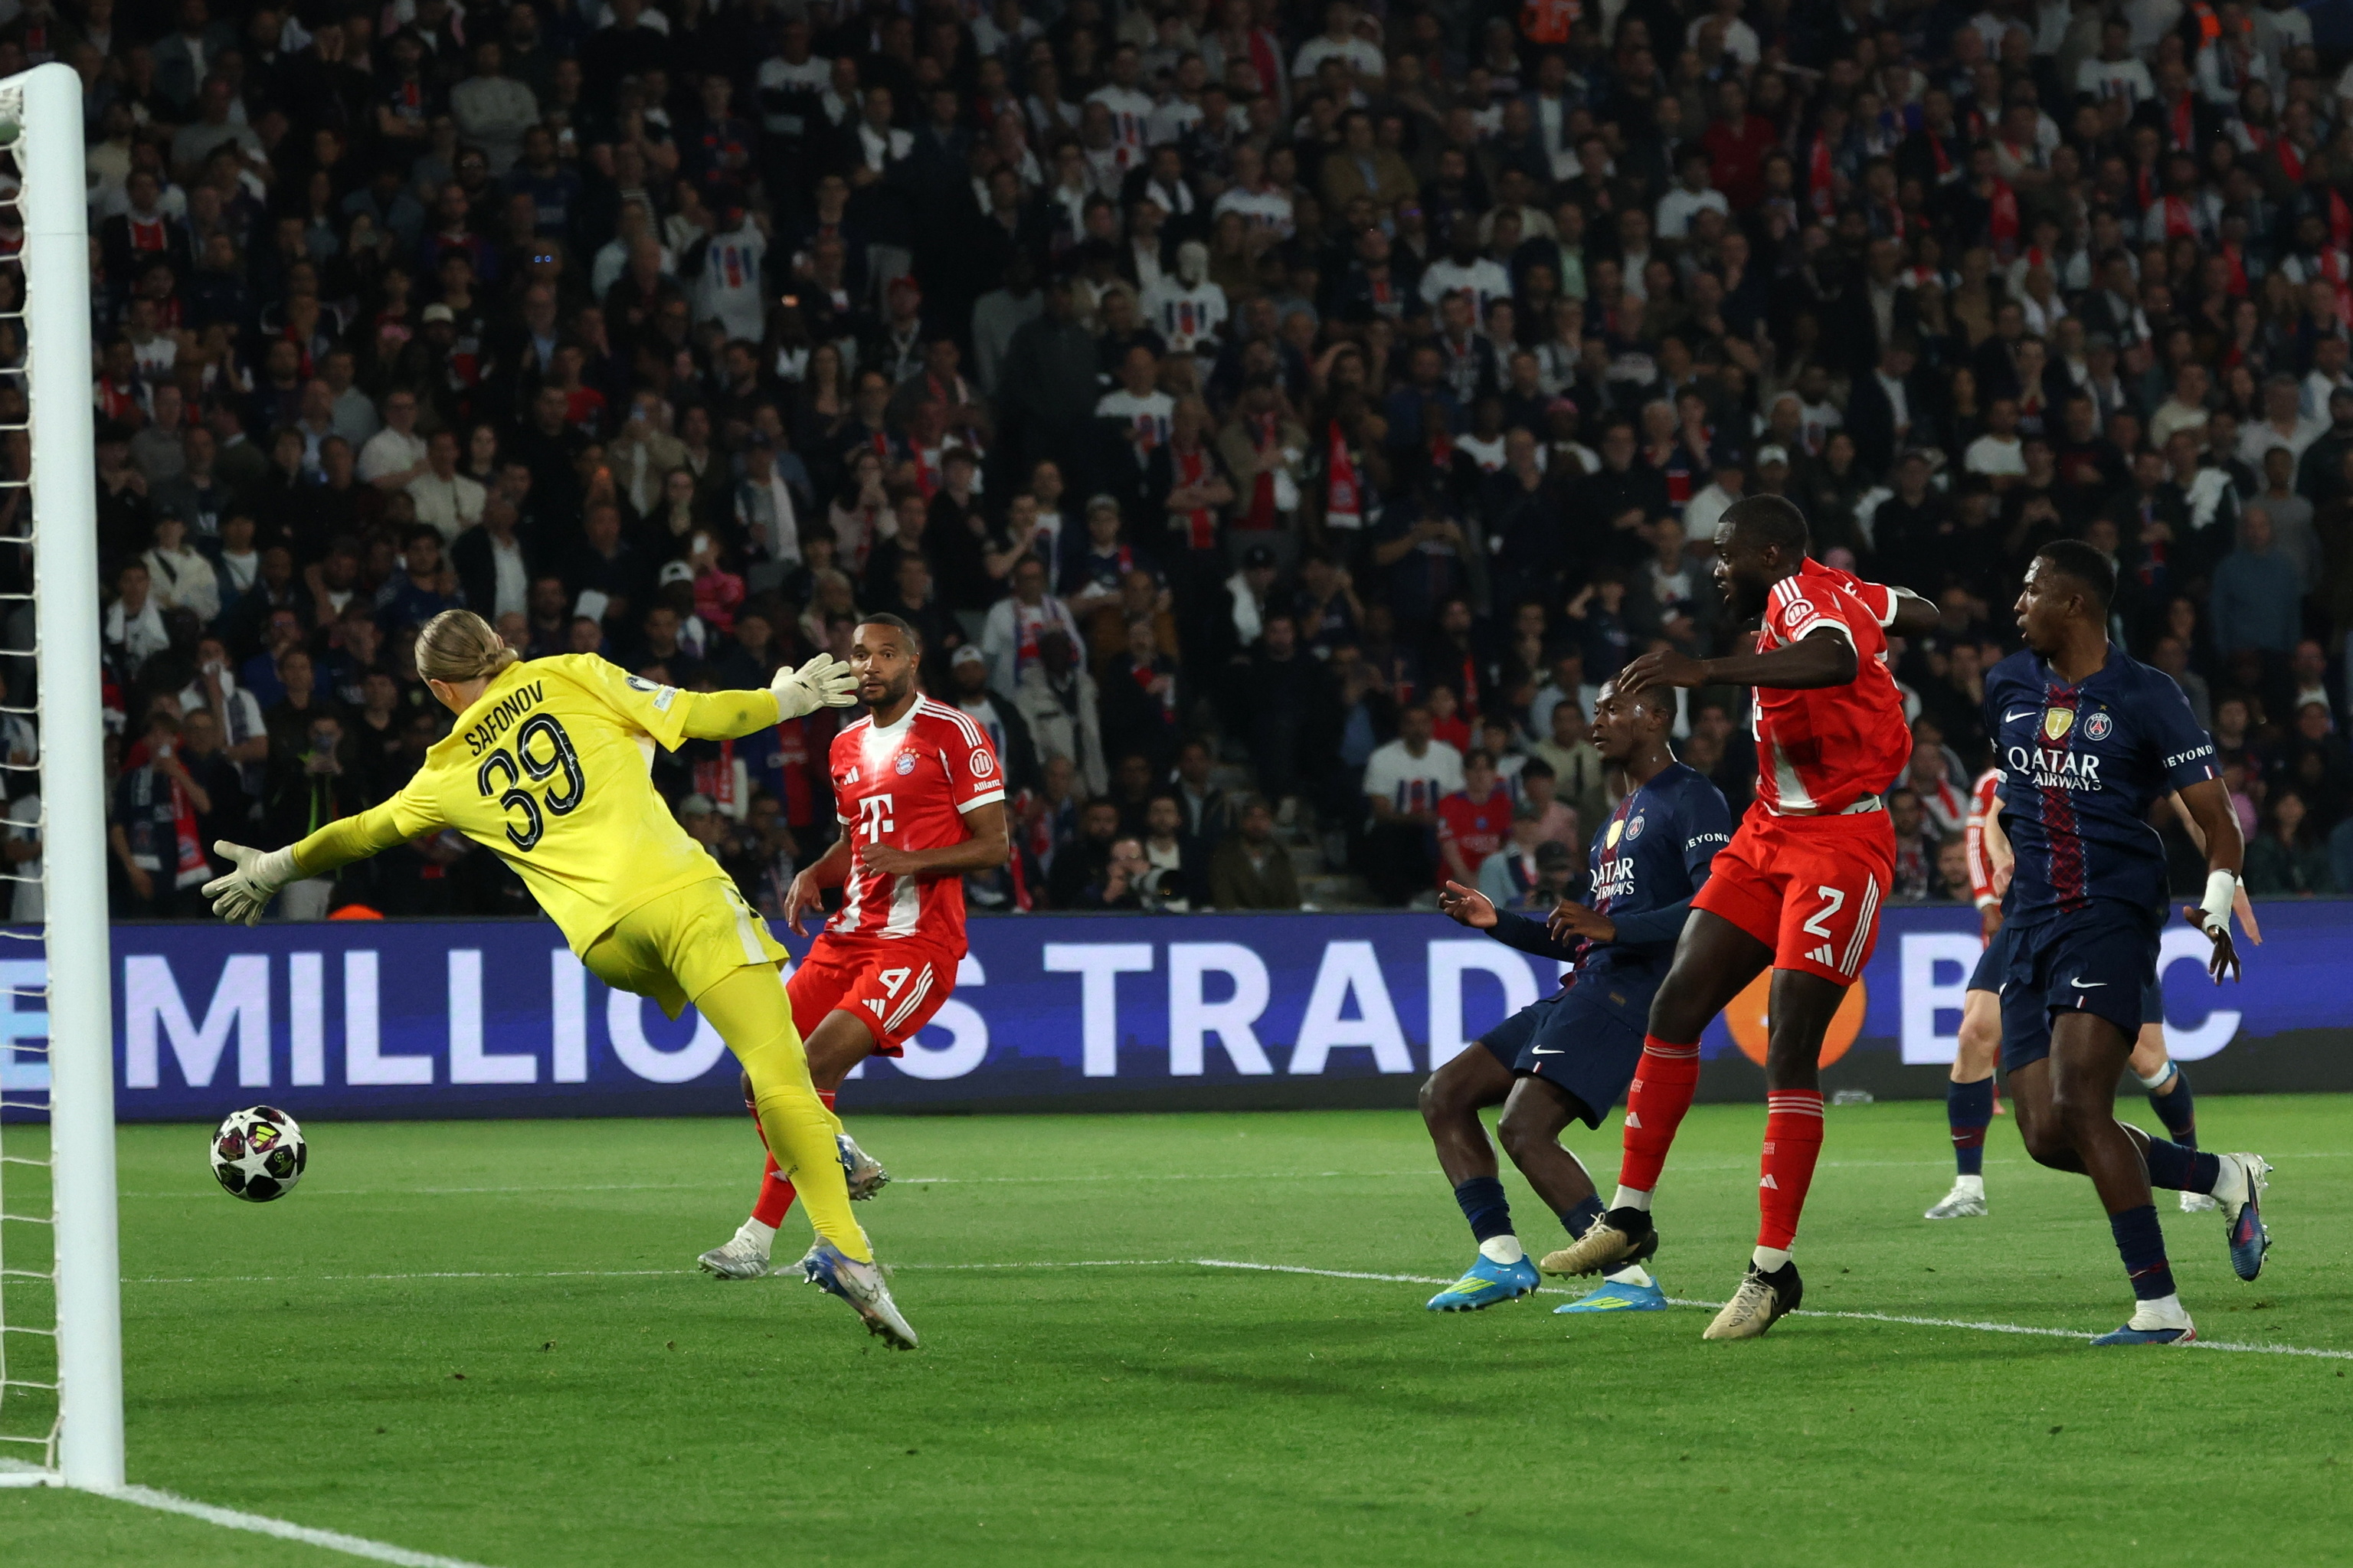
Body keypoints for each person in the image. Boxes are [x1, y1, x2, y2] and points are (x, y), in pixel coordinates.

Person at [199, 611, 918, 1347]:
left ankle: (830, 1146)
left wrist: (274, 866)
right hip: (680, 899)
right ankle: (844, 1242)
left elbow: (360, 831)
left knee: (776, 1073)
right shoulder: (571, 673)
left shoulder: (443, 772)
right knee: (778, 1068)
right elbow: (704, 716)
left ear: (439, 688)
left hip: (607, 944)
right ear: (495, 646)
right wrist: (789, 699)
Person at [1542, 495, 1938, 1340]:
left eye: (1725, 555)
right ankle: (1629, 1215)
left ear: (1769, 554)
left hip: (1840, 842)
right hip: (1768, 831)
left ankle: (1771, 1270)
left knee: (1790, 1045)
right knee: (1676, 1004)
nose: (1714, 569)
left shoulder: (1804, 600)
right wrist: (1882, 607)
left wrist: (1707, 670)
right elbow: (1921, 610)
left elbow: (1833, 657)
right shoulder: (1831, 589)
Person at [1971, 542, 2269, 1345]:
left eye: (2031, 591)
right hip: (2031, 922)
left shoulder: (2148, 694)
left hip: (2109, 913)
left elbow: (2217, 821)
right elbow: (2014, 795)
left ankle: (2161, 1309)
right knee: (2045, 1134)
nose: (2018, 605)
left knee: (2081, 1103)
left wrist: (2216, 902)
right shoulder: (2006, 685)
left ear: (2074, 604)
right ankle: (2224, 1176)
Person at [697, 616, 1010, 1284]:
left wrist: (912, 860)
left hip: (916, 943)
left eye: (886, 654)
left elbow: (994, 845)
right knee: (759, 1075)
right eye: (861, 654)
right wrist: (817, 871)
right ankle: (838, 1156)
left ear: (913, 662)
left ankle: (758, 1236)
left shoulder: (953, 733)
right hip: (847, 935)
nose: (871, 666)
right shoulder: (844, 745)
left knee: (809, 1069)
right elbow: (855, 842)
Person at [1418, 679, 1732, 1314]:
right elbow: (1585, 935)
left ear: (1657, 716)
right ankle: (1500, 1256)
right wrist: (1499, 922)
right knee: (1444, 1094)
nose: (1598, 721)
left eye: (1613, 708)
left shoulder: (1692, 795)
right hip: (1585, 987)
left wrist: (1616, 929)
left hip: (1629, 996)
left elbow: (1717, 903)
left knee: (1525, 1127)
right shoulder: (1614, 820)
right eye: (1595, 710)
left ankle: (1627, 1276)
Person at [1926, 768, 2257, 1222]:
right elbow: (1994, 816)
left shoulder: (2132, 743)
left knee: (2148, 1061)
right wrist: (2001, 860)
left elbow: (2197, 812)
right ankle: (1969, 1188)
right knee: (1974, 1034)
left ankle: (2197, 1170)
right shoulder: (2033, 741)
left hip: (2106, 917)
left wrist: (2226, 881)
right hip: (2032, 916)